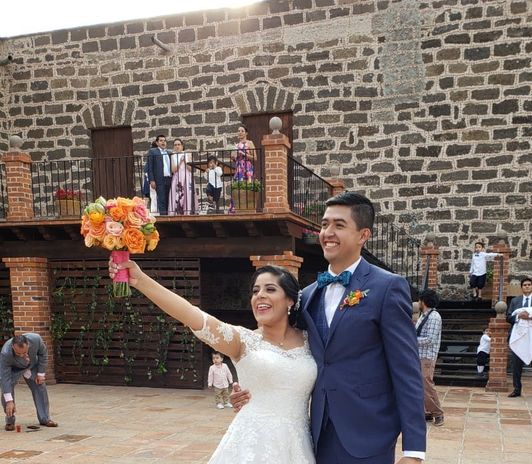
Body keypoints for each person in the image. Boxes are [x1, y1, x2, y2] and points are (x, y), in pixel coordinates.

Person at [233, 192, 426, 464]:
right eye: (324, 224)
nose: (327, 232)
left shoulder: (387, 287)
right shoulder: (308, 295)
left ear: (363, 235)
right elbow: (280, 344)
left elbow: (407, 370)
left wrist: (414, 451)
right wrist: (252, 387)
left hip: (369, 433)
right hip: (316, 435)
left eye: (339, 225)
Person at [108, 259, 317, 463]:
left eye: (270, 289)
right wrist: (140, 280)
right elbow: (191, 315)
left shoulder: (312, 340)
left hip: (299, 444)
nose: (260, 295)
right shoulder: (241, 340)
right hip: (252, 444)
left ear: (290, 299)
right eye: (255, 291)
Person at [1, 333, 58, 431]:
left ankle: (45, 418)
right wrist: (9, 401)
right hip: (14, 370)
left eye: (25, 352)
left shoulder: (36, 339)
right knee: (7, 394)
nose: (22, 355)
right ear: (13, 347)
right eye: (19, 354)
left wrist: (40, 374)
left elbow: (43, 354)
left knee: (40, 386)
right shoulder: (5, 353)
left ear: (28, 344)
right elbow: (4, 378)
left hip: (31, 366)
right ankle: (10, 421)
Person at [415, 288, 444, 426]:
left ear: (424, 301)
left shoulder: (434, 317)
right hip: (420, 355)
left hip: (427, 356)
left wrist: (411, 339)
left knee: (426, 385)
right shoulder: (424, 315)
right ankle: (427, 412)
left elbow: (430, 339)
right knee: (421, 385)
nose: (418, 302)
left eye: (419, 300)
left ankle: (438, 413)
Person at [146, 134, 172, 215]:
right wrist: (152, 180)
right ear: (157, 143)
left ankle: (170, 216)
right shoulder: (153, 152)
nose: (163, 142)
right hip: (159, 179)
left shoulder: (169, 153)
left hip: (169, 179)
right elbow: (150, 167)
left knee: (169, 199)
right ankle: (164, 217)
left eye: (164, 141)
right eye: (161, 141)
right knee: (161, 199)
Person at [168, 138, 194, 215]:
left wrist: (186, 161)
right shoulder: (173, 156)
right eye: (175, 145)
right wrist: (180, 162)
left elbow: (191, 169)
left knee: (187, 194)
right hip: (177, 178)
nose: (177, 146)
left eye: (179, 144)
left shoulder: (188, 154)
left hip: (186, 177)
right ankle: (176, 212)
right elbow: (173, 170)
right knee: (176, 195)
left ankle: (187, 212)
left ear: (182, 146)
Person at [142, 140, 159, 215]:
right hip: (151, 181)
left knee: (149, 198)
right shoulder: (154, 155)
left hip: (148, 180)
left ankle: (146, 212)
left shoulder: (151, 157)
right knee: (153, 197)